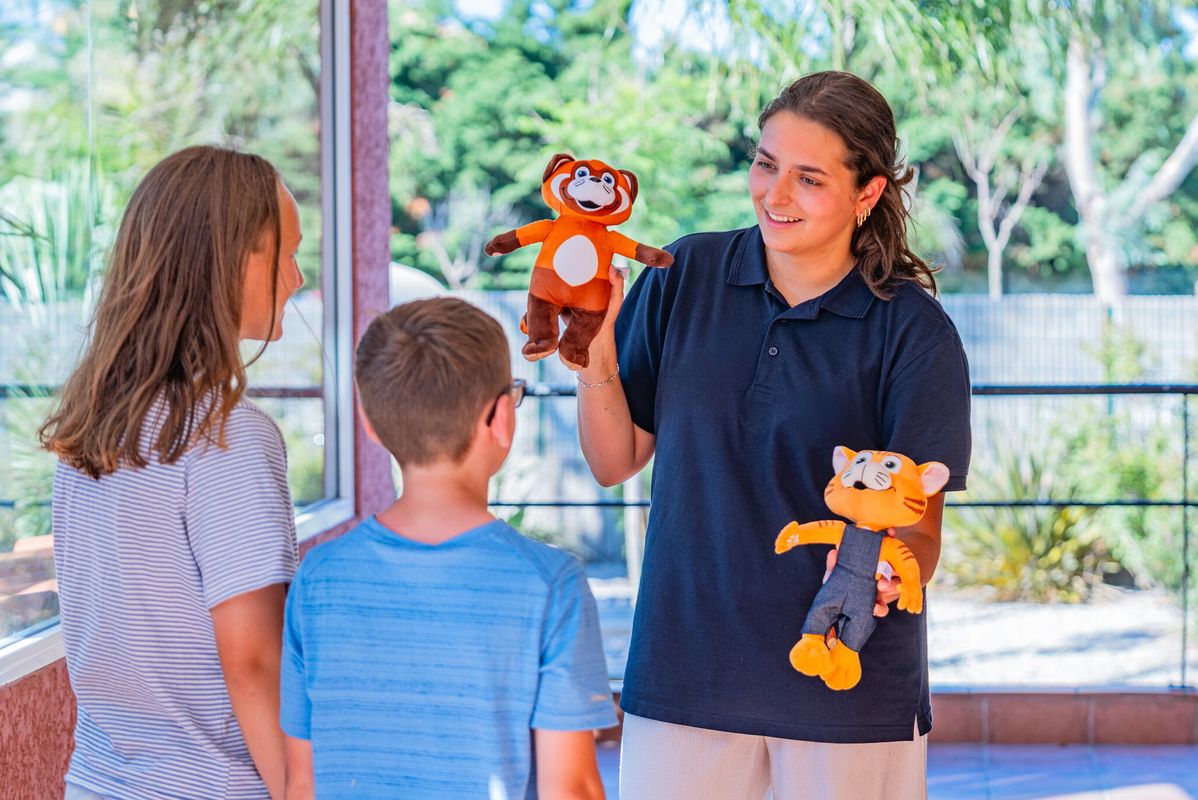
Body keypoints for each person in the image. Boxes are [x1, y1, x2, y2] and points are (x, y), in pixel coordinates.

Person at [577, 71, 972, 799]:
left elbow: (922, 534)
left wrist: (884, 568)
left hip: (845, 686)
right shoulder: (683, 273)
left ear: (868, 193)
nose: (774, 195)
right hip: (683, 675)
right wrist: (596, 346)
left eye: (809, 178)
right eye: (765, 164)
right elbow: (613, 462)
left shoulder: (913, 333)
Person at [40, 146, 306, 799]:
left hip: (98, 782)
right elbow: (253, 662)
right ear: (238, 256)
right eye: (290, 253)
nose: (297, 279)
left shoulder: (92, 428)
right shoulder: (229, 436)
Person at [279, 297, 617, 800]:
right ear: (502, 417)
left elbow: (301, 783)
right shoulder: (550, 585)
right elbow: (569, 789)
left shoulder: (318, 577)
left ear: (370, 423)